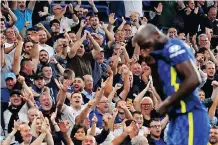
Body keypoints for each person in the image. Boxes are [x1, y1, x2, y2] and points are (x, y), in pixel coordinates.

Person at [133, 24, 210, 145]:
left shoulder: (173, 46)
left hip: (190, 115)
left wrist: (167, 103)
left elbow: (194, 79)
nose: (145, 50)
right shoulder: (159, 59)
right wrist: (152, 65)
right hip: (175, 119)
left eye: (147, 45)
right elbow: (164, 94)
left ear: (156, 36)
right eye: (143, 47)